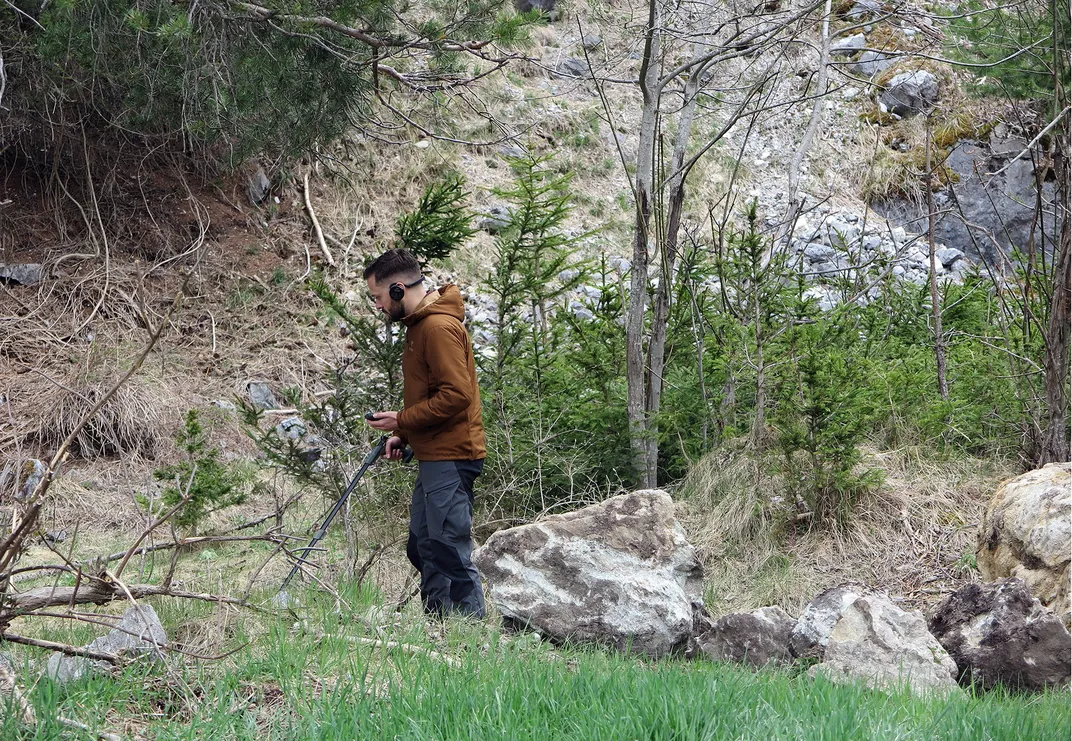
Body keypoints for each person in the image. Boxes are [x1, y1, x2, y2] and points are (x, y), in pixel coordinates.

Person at [363, 248, 487, 618]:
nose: (379, 307)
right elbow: (435, 396)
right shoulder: (420, 326)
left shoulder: (437, 328)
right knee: (423, 544)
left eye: (379, 297)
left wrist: (402, 419)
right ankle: (438, 622)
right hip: (434, 454)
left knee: (449, 543)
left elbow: (457, 395)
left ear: (399, 290)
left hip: (453, 455)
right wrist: (406, 434)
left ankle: (471, 627)